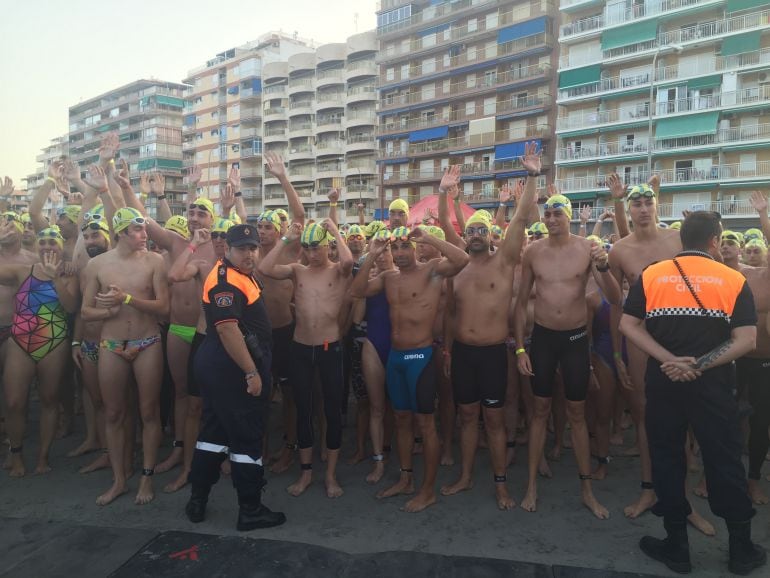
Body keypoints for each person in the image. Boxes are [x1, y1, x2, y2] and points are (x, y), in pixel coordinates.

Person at [620, 211, 766, 576]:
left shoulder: (653, 274)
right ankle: (740, 549)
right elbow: (747, 340)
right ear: (715, 240)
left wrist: (670, 360)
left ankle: (676, 547)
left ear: (682, 239)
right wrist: (699, 365)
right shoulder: (733, 279)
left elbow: (628, 325)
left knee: (667, 458)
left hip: (664, 380)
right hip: (713, 386)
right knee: (724, 459)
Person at [438, 145, 539, 510]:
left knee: (494, 421)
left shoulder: (505, 260)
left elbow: (523, 220)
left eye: (483, 229)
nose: (477, 234)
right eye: (472, 230)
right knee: (467, 417)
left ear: (491, 233)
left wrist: (531, 176)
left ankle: (500, 484)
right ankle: (465, 476)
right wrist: (443, 192)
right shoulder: (460, 263)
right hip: (463, 353)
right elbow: (445, 225)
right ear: (466, 236)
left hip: (495, 354)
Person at [514, 193, 620, 519]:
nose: (551, 219)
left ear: (569, 216)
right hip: (543, 338)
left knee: (577, 414)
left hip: (575, 339)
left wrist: (602, 265)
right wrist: (520, 348)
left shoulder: (587, 248)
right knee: (539, 412)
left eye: (558, 213)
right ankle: (531, 484)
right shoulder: (532, 252)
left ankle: (587, 490)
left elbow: (615, 297)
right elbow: (520, 304)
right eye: (547, 214)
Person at [350, 224, 469, 513]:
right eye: (395, 248)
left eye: (405, 247)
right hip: (396, 359)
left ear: (415, 248)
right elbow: (357, 291)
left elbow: (462, 260)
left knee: (425, 424)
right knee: (401, 419)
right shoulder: (389, 278)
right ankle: (406, 479)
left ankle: (427, 490)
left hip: (420, 358)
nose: (400, 253)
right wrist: (372, 252)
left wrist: (429, 237)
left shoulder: (432, 271)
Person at [186, 224, 286, 531]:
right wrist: (251, 372)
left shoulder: (238, 274)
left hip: (222, 365)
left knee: (213, 435)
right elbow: (228, 330)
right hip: (231, 366)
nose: (249, 253)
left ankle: (197, 500)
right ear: (226, 249)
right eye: (242, 248)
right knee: (246, 437)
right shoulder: (224, 282)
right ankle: (250, 510)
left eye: (253, 247)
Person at [81, 207, 169, 506]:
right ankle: (119, 480)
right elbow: (85, 312)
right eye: (138, 230)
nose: (145, 235)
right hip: (112, 343)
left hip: (148, 341)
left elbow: (163, 308)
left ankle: (146, 475)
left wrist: (128, 299)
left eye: (144, 229)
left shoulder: (155, 261)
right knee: (114, 413)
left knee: (148, 412)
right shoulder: (97, 265)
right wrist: (109, 311)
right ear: (121, 232)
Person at [258, 219, 352, 499]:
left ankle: (331, 475)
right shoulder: (297, 271)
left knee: (333, 411)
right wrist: (286, 239)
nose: (312, 253)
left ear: (328, 247)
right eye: (308, 248)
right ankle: (307, 472)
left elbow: (347, 262)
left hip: (329, 347)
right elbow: (265, 269)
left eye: (317, 247)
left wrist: (335, 231)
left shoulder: (338, 270)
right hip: (300, 347)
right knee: (304, 410)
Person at [0, 227, 78, 477]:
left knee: (49, 400)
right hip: (20, 341)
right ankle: (16, 453)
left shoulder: (68, 275)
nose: (47, 246)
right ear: (36, 246)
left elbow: (70, 307)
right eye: (42, 241)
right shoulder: (23, 270)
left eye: (52, 242)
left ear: (60, 246)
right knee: (13, 402)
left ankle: (43, 456)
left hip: (54, 343)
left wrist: (55, 278)